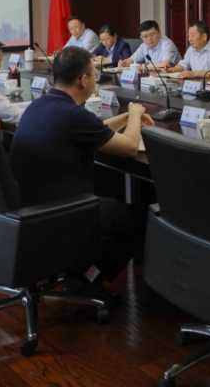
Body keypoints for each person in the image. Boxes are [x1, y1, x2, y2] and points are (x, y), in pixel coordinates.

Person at [9, 47, 153, 295]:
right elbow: (130, 147)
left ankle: (81, 270)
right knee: (141, 217)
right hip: (63, 212)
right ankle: (86, 278)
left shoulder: (40, 104)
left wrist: (125, 118)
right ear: (83, 80)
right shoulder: (72, 114)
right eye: (95, 76)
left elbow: (94, 128)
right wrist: (136, 115)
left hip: (30, 208)